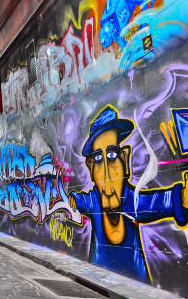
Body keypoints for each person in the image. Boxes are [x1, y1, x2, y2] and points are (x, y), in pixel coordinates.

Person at [68, 105, 188, 282]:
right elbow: (77, 199)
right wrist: (71, 199)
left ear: (124, 158)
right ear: (91, 168)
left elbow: (160, 202)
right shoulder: (93, 201)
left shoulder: (133, 202)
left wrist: (182, 197)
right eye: (99, 160)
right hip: (96, 278)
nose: (107, 173)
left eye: (112, 156)